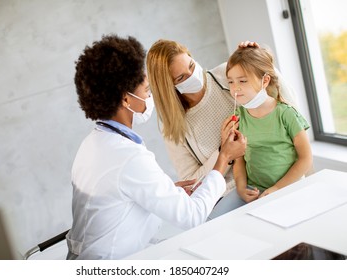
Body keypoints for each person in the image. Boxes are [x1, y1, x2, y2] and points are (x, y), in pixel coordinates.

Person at [66, 34, 247, 260]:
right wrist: (224, 158)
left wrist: (167, 191)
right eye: (146, 90)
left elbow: (120, 194)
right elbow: (192, 216)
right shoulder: (128, 157)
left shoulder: (93, 144)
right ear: (126, 99)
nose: (149, 96)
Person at [146, 40, 297, 217]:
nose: (192, 75)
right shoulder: (174, 126)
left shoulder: (227, 75)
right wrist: (223, 152)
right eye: (181, 78)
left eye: (192, 66)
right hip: (230, 196)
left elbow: (287, 106)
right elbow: (191, 184)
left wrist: (261, 61)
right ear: (168, 87)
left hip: (273, 172)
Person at [225, 45, 312, 204]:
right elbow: (239, 159)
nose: (235, 88)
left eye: (243, 81)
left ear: (265, 80)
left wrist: (278, 188)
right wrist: (241, 187)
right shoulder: (238, 118)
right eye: (230, 82)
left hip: (289, 189)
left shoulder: (286, 114)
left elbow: (306, 158)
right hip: (254, 191)